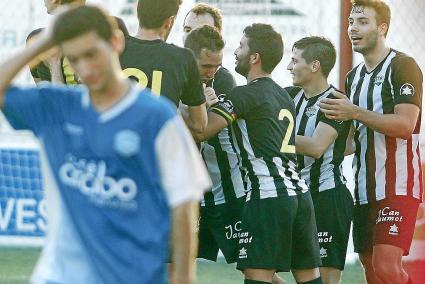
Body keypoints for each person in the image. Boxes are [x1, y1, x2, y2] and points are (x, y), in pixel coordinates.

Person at [0, 5, 211, 283]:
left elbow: (184, 203)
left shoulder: (157, 117)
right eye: (75, 59)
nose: (85, 68)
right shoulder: (57, 107)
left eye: (91, 54)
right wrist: (46, 41)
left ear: (116, 42)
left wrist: (184, 277)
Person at [193, 23, 322, 284]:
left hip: (267, 197)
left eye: (241, 46)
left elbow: (201, 130)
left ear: (254, 57)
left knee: (257, 276)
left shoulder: (244, 95)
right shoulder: (283, 96)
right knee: (308, 278)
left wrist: (199, 105)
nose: (235, 52)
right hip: (300, 195)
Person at [319, 1, 423, 283]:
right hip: (364, 189)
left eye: (363, 22)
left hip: (398, 185)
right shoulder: (353, 79)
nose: (353, 28)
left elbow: (405, 125)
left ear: (382, 28)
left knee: (387, 267)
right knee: (371, 269)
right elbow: (353, 140)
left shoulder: (403, 66)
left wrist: (353, 111)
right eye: (351, 21)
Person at [286, 36, 354, 284]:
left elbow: (316, 147)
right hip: (296, 198)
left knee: (325, 280)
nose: (289, 67)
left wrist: (274, 135)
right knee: (265, 268)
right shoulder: (290, 96)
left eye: (294, 61)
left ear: (314, 66)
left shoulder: (335, 101)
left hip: (328, 198)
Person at [184, 25, 246, 265]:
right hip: (190, 193)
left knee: (253, 266)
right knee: (175, 262)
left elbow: (203, 130)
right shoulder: (174, 76)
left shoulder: (224, 81)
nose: (212, 72)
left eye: (216, 66)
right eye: (206, 66)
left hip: (226, 190)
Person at [119, 0, 207, 134]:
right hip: (158, 147)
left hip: (116, 143)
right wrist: (171, 107)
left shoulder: (114, 48)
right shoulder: (183, 58)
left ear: (138, 14)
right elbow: (199, 124)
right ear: (169, 21)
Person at [27, 0, 129, 85]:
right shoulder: (112, 26)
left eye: (90, 54)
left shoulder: (39, 40)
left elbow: (50, 100)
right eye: (73, 59)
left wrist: (54, 65)